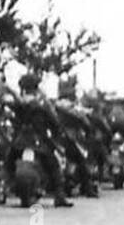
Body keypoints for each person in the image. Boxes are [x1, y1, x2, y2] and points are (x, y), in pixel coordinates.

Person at [8, 73, 74, 208]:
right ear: (36, 88)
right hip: (38, 141)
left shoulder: (18, 104)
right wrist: (56, 135)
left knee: (7, 164)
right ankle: (59, 196)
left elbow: (12, 120)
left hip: (19, 142)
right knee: (54, 167)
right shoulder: (42, 105)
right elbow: (54, 123)